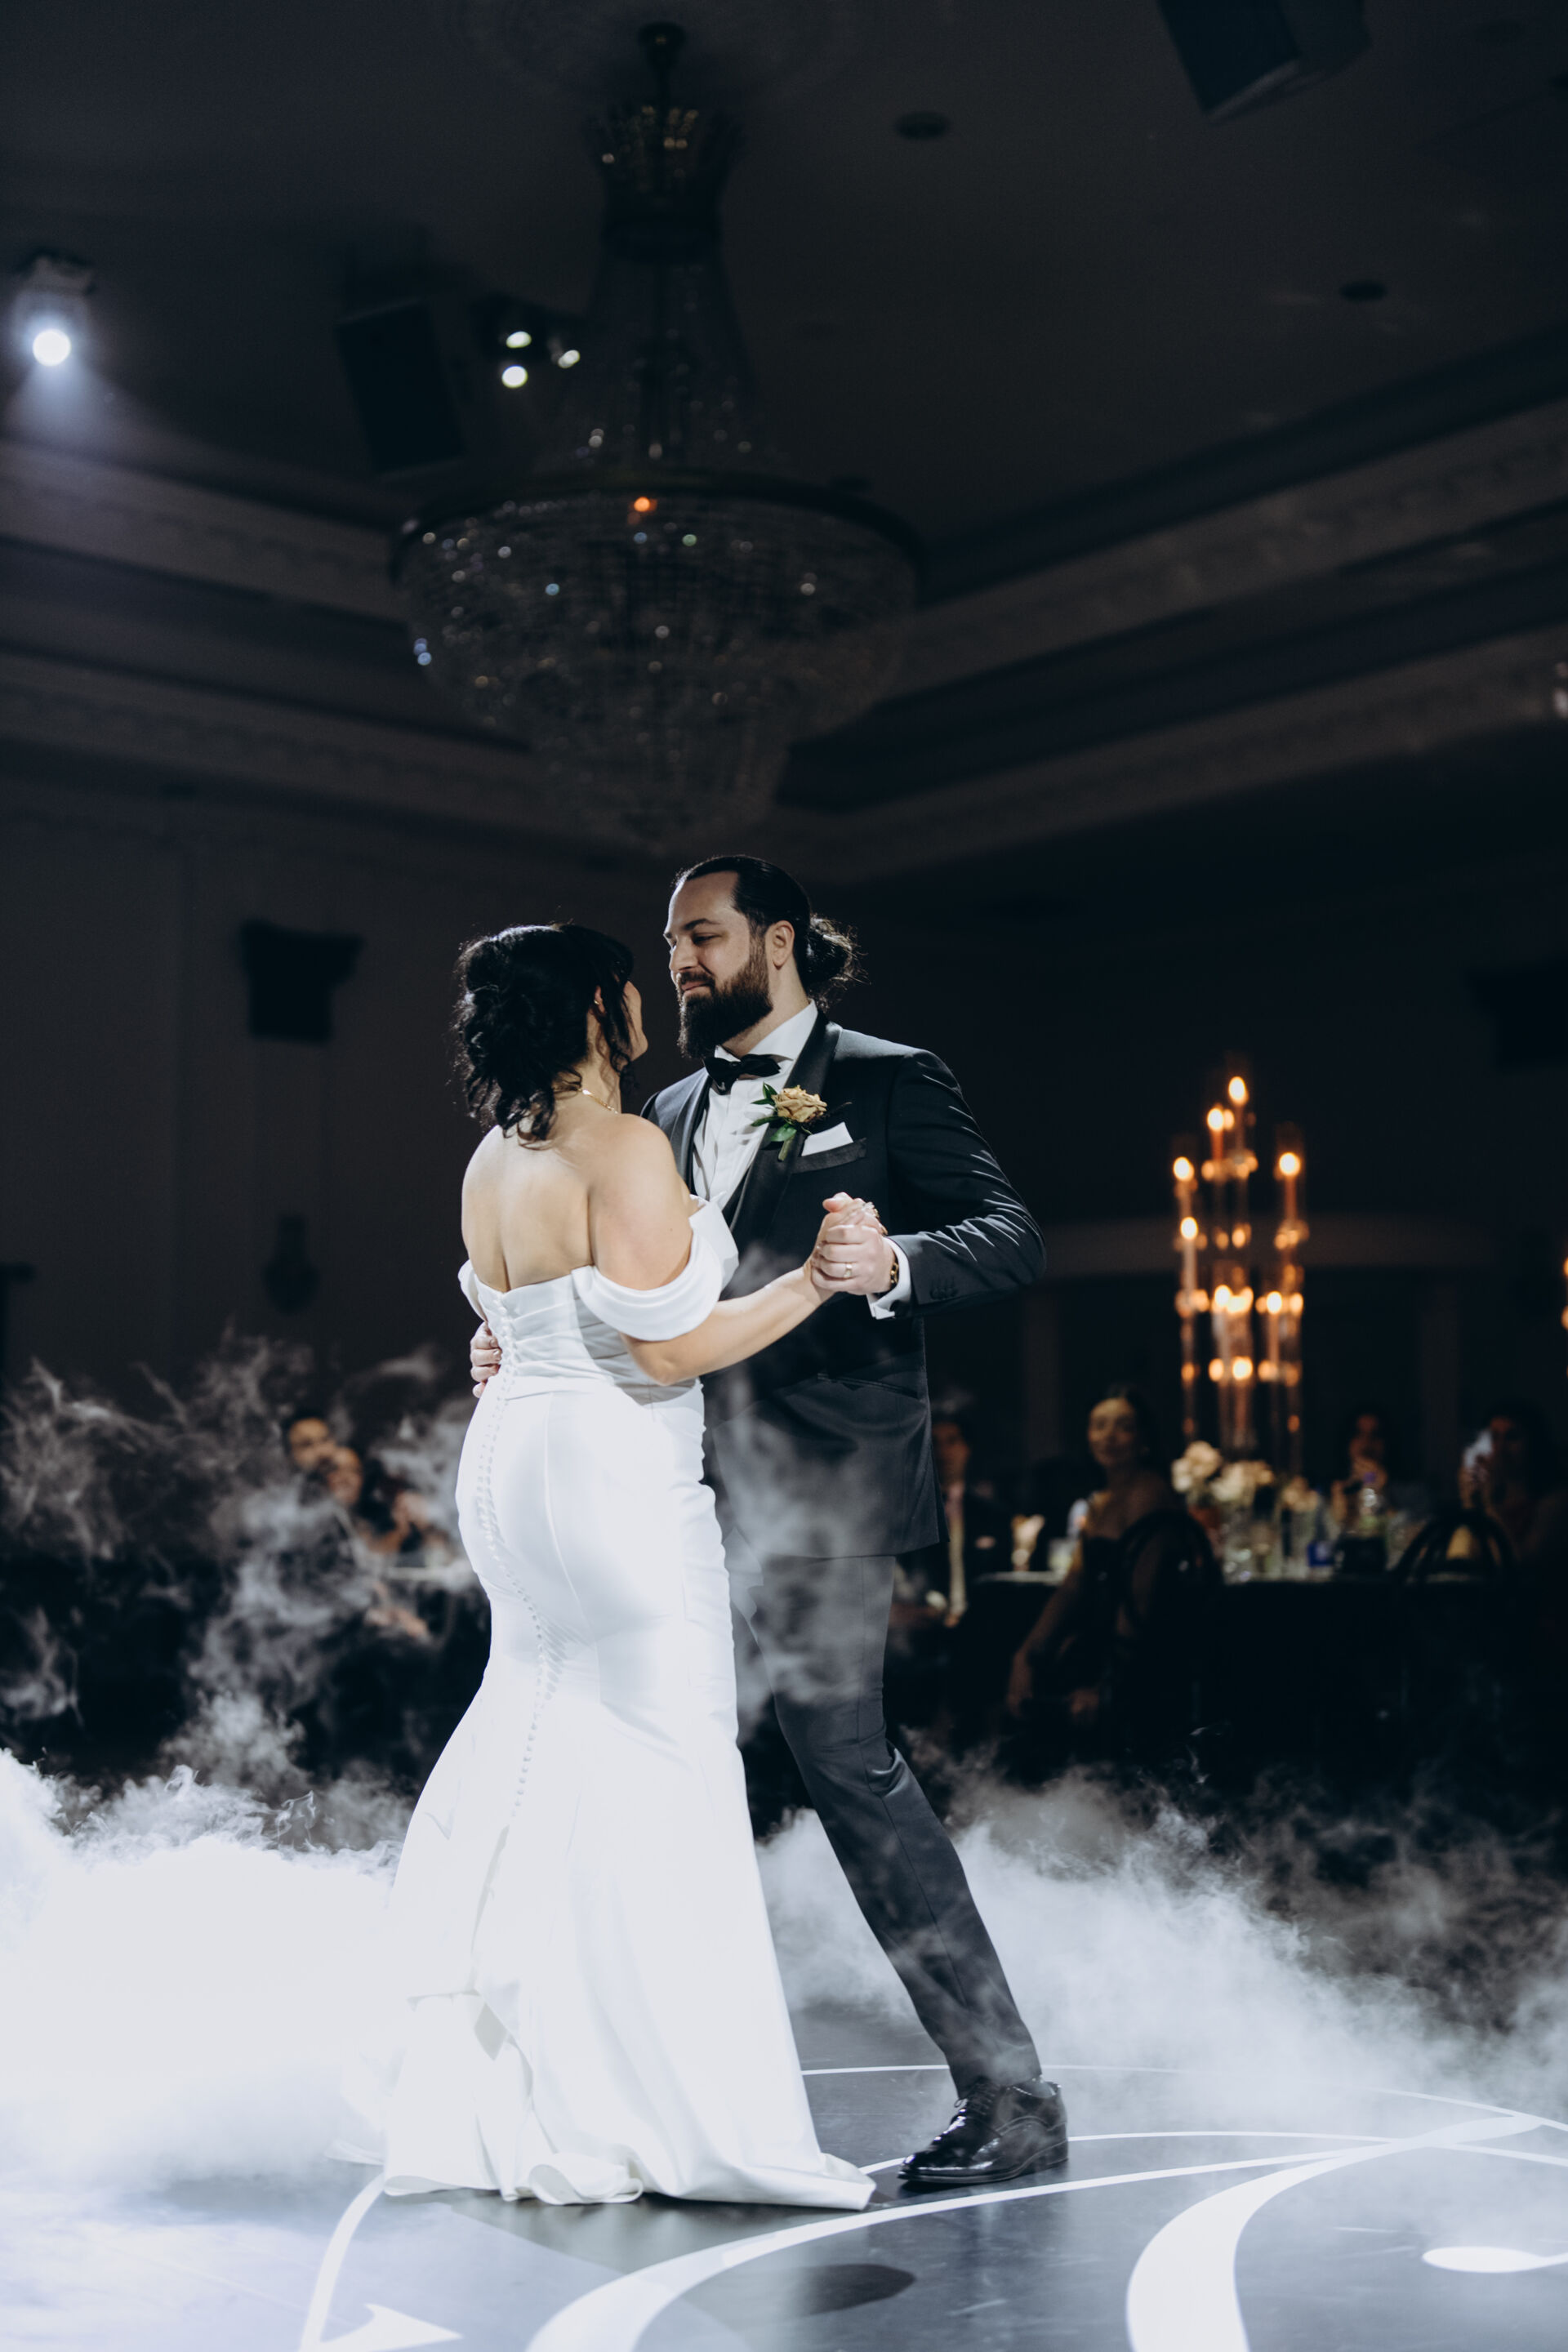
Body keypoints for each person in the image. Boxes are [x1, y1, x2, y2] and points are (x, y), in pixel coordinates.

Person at [474, 856, 1065, 2190]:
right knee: (637, 1757)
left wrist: (895, 1261)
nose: (680, 963)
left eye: (704, 936)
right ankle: (626, 2091)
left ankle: (1012, 2093)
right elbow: (626, 1289)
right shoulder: (662, 1108)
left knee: (843, 1762)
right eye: (670, 943)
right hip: (663, 1482)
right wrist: (525, 1337)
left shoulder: (892, 1079)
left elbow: (1014, 1234)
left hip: (829, 1484)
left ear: (780, 941)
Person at [369, 921, 873, 2210]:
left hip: (511, 1464)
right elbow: (665, 1351)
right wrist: (815, 1284)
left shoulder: (495, 1155)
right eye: (628, 983)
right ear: (596, 1007)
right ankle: (669, 2110)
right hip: (607, 1473)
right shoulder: (624, 1146)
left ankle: (535, 2089)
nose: (648, 997)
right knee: (662, 1761)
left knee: (544, 1736)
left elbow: (515, 1318)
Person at [1004, 1388, 1217, 1766]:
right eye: (1100, 1425)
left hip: (1146, 1657)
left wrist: (1105, 1685)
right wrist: (1025, 1655)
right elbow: (1073, 1586)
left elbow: (1140, 1600)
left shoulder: (1147, 1493)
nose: (1109, 1436)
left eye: (1124, 1426)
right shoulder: (1102, 1500)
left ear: (1143, 1438)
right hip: (1105, 1644)